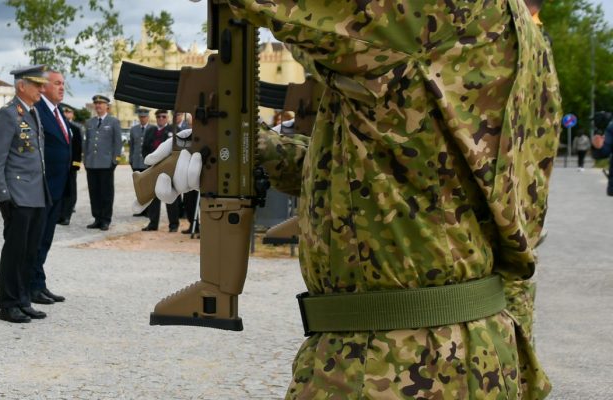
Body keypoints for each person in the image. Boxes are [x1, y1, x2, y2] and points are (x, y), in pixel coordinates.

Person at [223, 0, 559, 396]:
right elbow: (400, 177)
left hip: (400, 361)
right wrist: (254, 147)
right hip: (460, 353)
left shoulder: (449, 10)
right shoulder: (526, 44)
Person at [0, 65, 50, 323]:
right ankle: (9, 303)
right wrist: (3, 197)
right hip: (16, 195)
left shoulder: (32, 113)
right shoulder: (8, 115)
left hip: (35, 193)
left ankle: (24, 300)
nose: (41, 90)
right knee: (14, 252)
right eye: (37, 85)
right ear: (21, 86)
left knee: (29, 251)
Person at [30, 70, 73, 305]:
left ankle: (39, 283)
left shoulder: (58, 113)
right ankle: (32, 285)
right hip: (42, 187)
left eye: (63, 84)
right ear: (44, 87)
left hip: (58, 187)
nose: (61, 87)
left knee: (45, 239)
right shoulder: (38, 111)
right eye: (57, 83)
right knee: (37, 239)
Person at [82, 94, 122, 231]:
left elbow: (118, 143)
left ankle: (105, 220)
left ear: (107, 106)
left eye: (101, 103)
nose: (98, 106)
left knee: (106, 193)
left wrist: (115, 161)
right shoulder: (90, 122)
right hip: (92, 164)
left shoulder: (113, 122)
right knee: (94, 192)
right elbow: (86, 143)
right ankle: (97, 218)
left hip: (106, 164)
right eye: (96, 103)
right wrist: (85, 160)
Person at [141, 110, 181, 232]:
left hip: (168, 169)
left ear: (167, 117)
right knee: (153, 197)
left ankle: (173, 225)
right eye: (158, 116)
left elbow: (178, 150)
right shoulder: (150, 130)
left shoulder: (174, 130)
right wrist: (150, 162)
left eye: (163, 116)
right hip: (153, 168)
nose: (161, 118)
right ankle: (153, 224)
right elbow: (145, 149)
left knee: (170, 197)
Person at [58, 105, 83, 226]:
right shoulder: (57, 127)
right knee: (59, 190)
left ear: (72, 114)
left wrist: (75, 165)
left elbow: (78, 149)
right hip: (59, 166)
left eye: (68, 112)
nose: (66, 114)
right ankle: (59, 214)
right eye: (64, 112)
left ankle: (67, 215)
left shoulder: (75, 129)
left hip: (70, 166)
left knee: (70, 191)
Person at [128, 108, 152, 173]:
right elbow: (132, 146)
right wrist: (131, 159)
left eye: (144, 117)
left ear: (148, 117)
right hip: (136, 162)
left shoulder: (153, 129)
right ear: (138, 117)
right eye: (141, 117)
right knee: (136, 182)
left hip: (147, 163)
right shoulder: (133, 129)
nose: (143, 119)